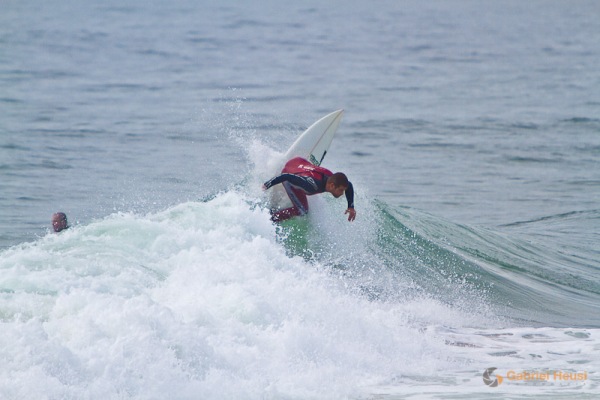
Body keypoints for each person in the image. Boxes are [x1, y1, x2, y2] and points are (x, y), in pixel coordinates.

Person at [262, 157, 356, 222]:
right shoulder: (312, 185)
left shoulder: (332, 178)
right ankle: (271, 218)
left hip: (299, 161)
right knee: (302, 210)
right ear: (332, 186)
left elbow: (349, 185)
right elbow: (285, 176)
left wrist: (351, 207)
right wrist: (267, 184)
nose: (342, 193)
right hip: (288, 172)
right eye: (340, 190)